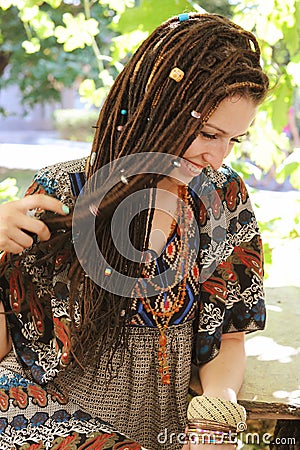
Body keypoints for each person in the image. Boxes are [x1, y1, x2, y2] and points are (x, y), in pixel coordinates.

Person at [0, 12, 269, 450]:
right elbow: (8, 338)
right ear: (159, 109)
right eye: (207, 133)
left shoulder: (221, 198)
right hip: (48, 418)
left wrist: (217, 409)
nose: (218, 157)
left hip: (163, 430)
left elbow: (228, 335)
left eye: (233, 140)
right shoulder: (63, 192)